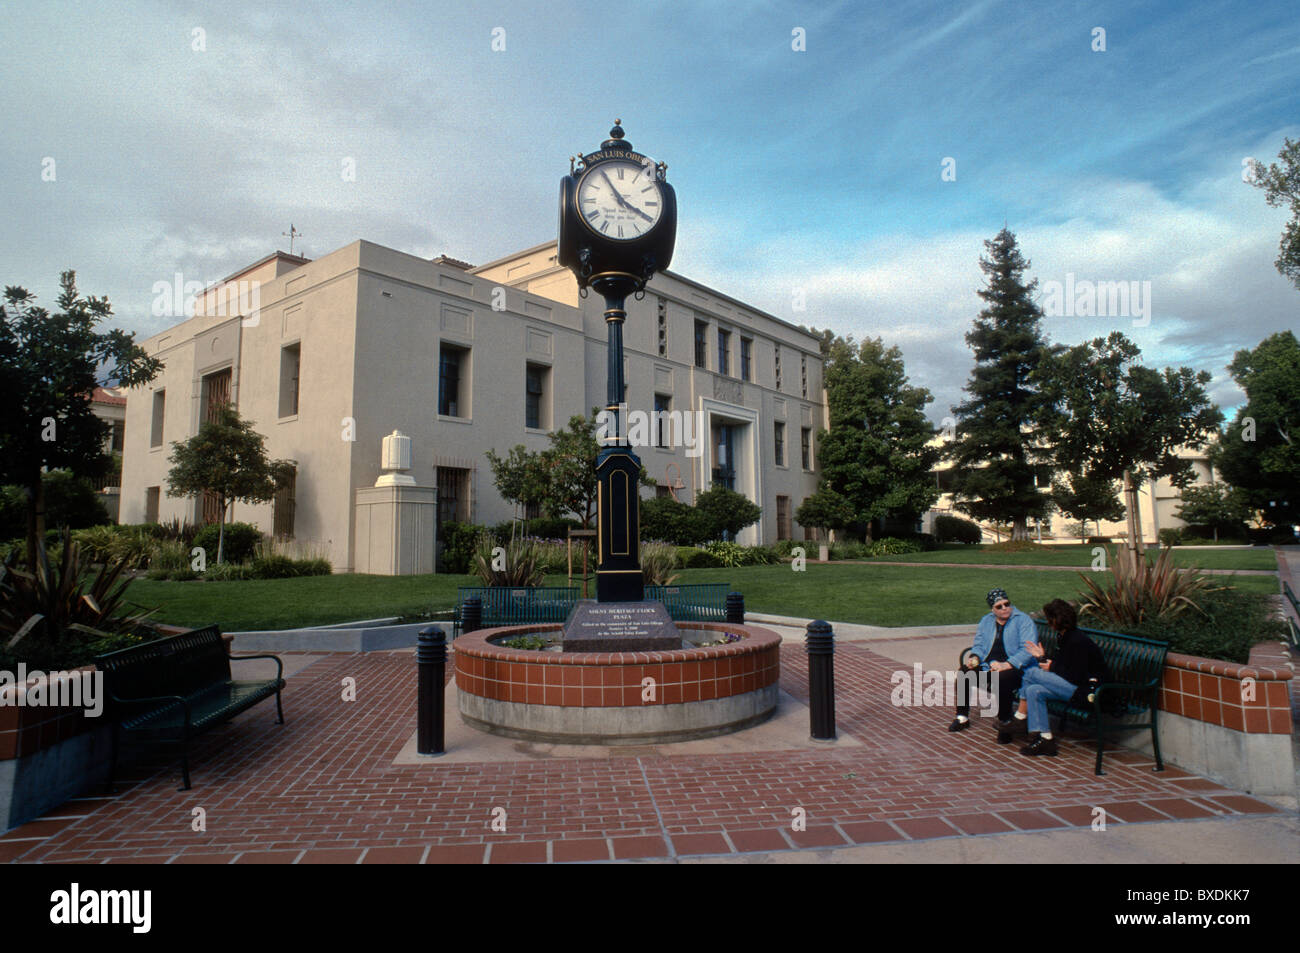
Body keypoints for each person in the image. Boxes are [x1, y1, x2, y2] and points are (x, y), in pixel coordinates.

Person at [1018, 598, 1111, 757]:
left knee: (1031, 673)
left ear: (1056, 620)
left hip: (1086, 693)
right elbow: (1062, 666)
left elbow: (1077, 675)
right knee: (1034, 690)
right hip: (1073, 687)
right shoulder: (1065, 636)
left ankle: (1019, 718)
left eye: (1049, 619)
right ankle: (1045, 739)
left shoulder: (1077, 640)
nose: (1048, 622)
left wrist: (1050, 666)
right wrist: (1042, 657)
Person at [948, 587, 1039, 742]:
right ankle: (962, 717)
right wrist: (975, 657)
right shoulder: (986, 621)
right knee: (964, 672)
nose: (1004, 608)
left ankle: (1005, 723)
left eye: (1006, 604)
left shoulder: (1023, 620)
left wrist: (1007, 664)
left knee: (1001, 678)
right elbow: (978, 645)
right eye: (999, 606)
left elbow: (1028, 650)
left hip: (1017, 669)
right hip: (988, 667)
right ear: (992, 609)